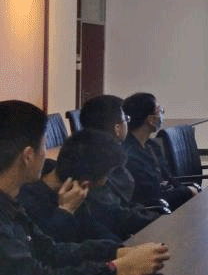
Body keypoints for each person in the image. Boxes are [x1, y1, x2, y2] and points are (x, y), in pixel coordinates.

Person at [0, 100, 169, 275]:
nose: (46, 153)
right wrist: (118, 269)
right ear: (28, 155)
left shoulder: (10, 203)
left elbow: (50, 251)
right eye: (44, 145)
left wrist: (116, 253)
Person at [17, 129, 123, 243]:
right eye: (106, 176)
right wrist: (66, 211)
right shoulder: (26, 203)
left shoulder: (60, 173)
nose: (107, 181)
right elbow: (49, 249)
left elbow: (95, 229)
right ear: (85, 184)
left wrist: (120, 248)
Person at [80, 95, 160, 238]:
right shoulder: (102, 162)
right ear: (117, 128)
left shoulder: (90, 151)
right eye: (126, 119)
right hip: (112, 238)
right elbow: (115, 213)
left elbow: (124, 205)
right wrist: (156, 220)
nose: (128, 123)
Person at [123, 93, 197, 211]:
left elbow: (169, 179)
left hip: (167, 201)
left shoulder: (152, 145)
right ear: (151, 120)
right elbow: (152, 196)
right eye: (160, 111)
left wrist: (185, 190)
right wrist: (187, 192)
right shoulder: (130, 155)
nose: (162, 114)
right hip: (155, 210)